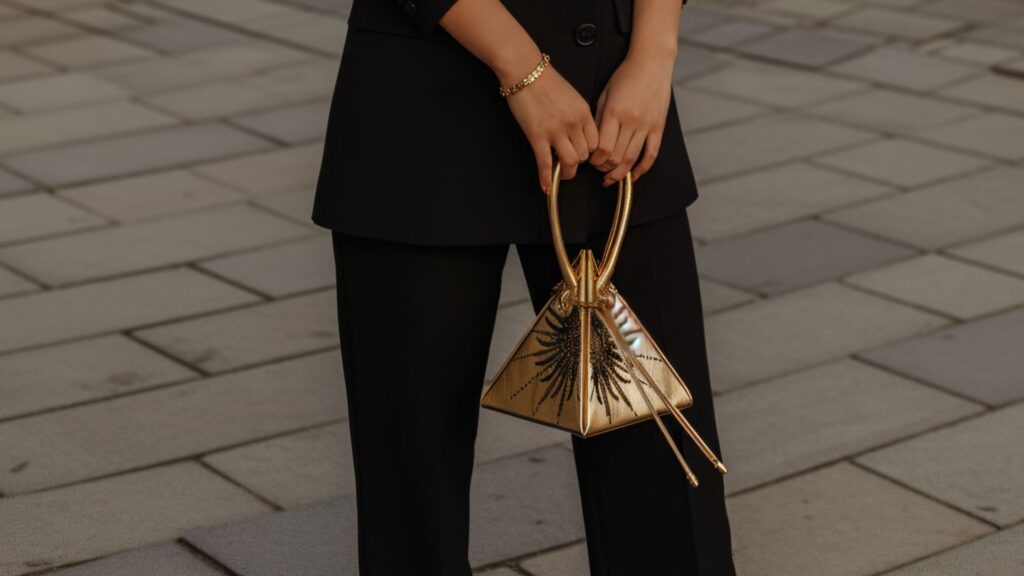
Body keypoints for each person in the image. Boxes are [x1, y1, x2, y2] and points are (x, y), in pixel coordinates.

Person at [310, 0, 737, 572]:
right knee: (415, 491)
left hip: (613, 96)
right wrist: (523, 71)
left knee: (664, 479)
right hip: (420, 101)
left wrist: (653, 56)